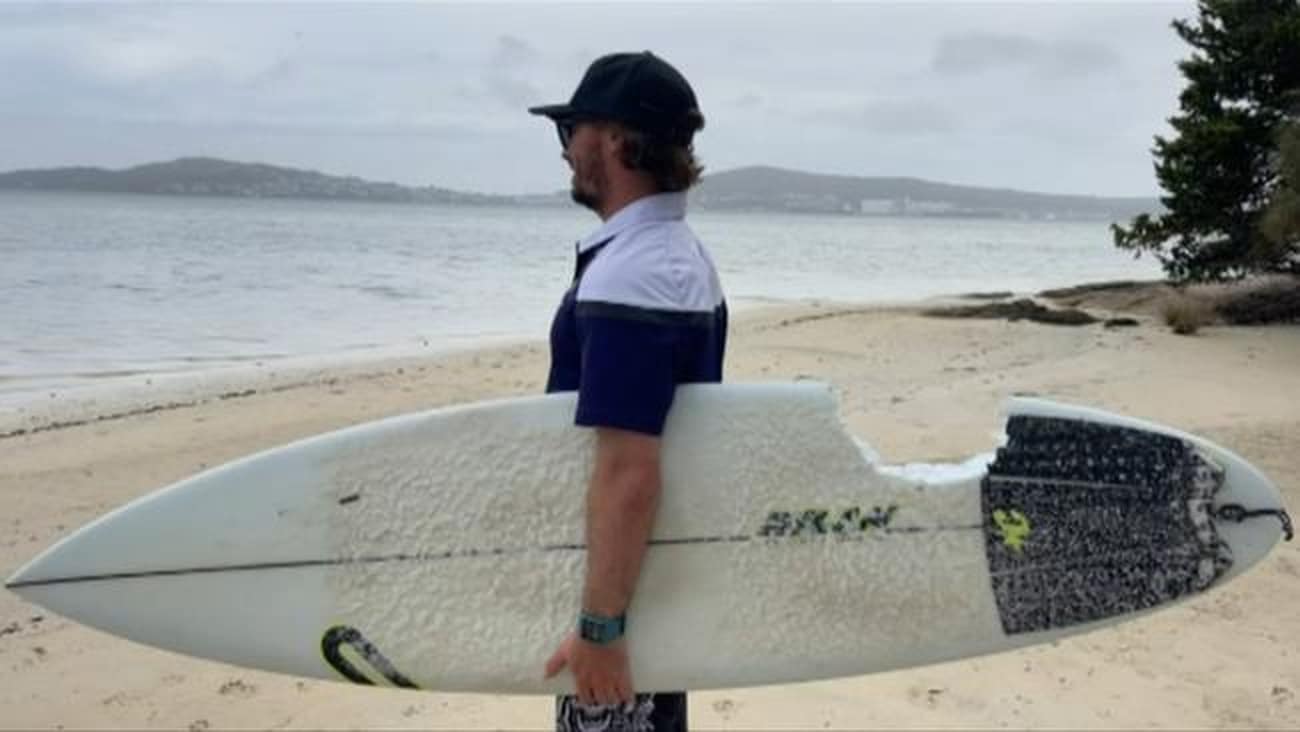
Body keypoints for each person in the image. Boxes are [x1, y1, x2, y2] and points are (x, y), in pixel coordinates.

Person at [528, 51, 726, 732]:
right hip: (645, 576)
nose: (566, 153)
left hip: (622, 591)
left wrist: (601, 626)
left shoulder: (636, 274)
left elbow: (628, 470)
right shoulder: (677, 254)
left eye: (569, 132)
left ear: (611, 139)